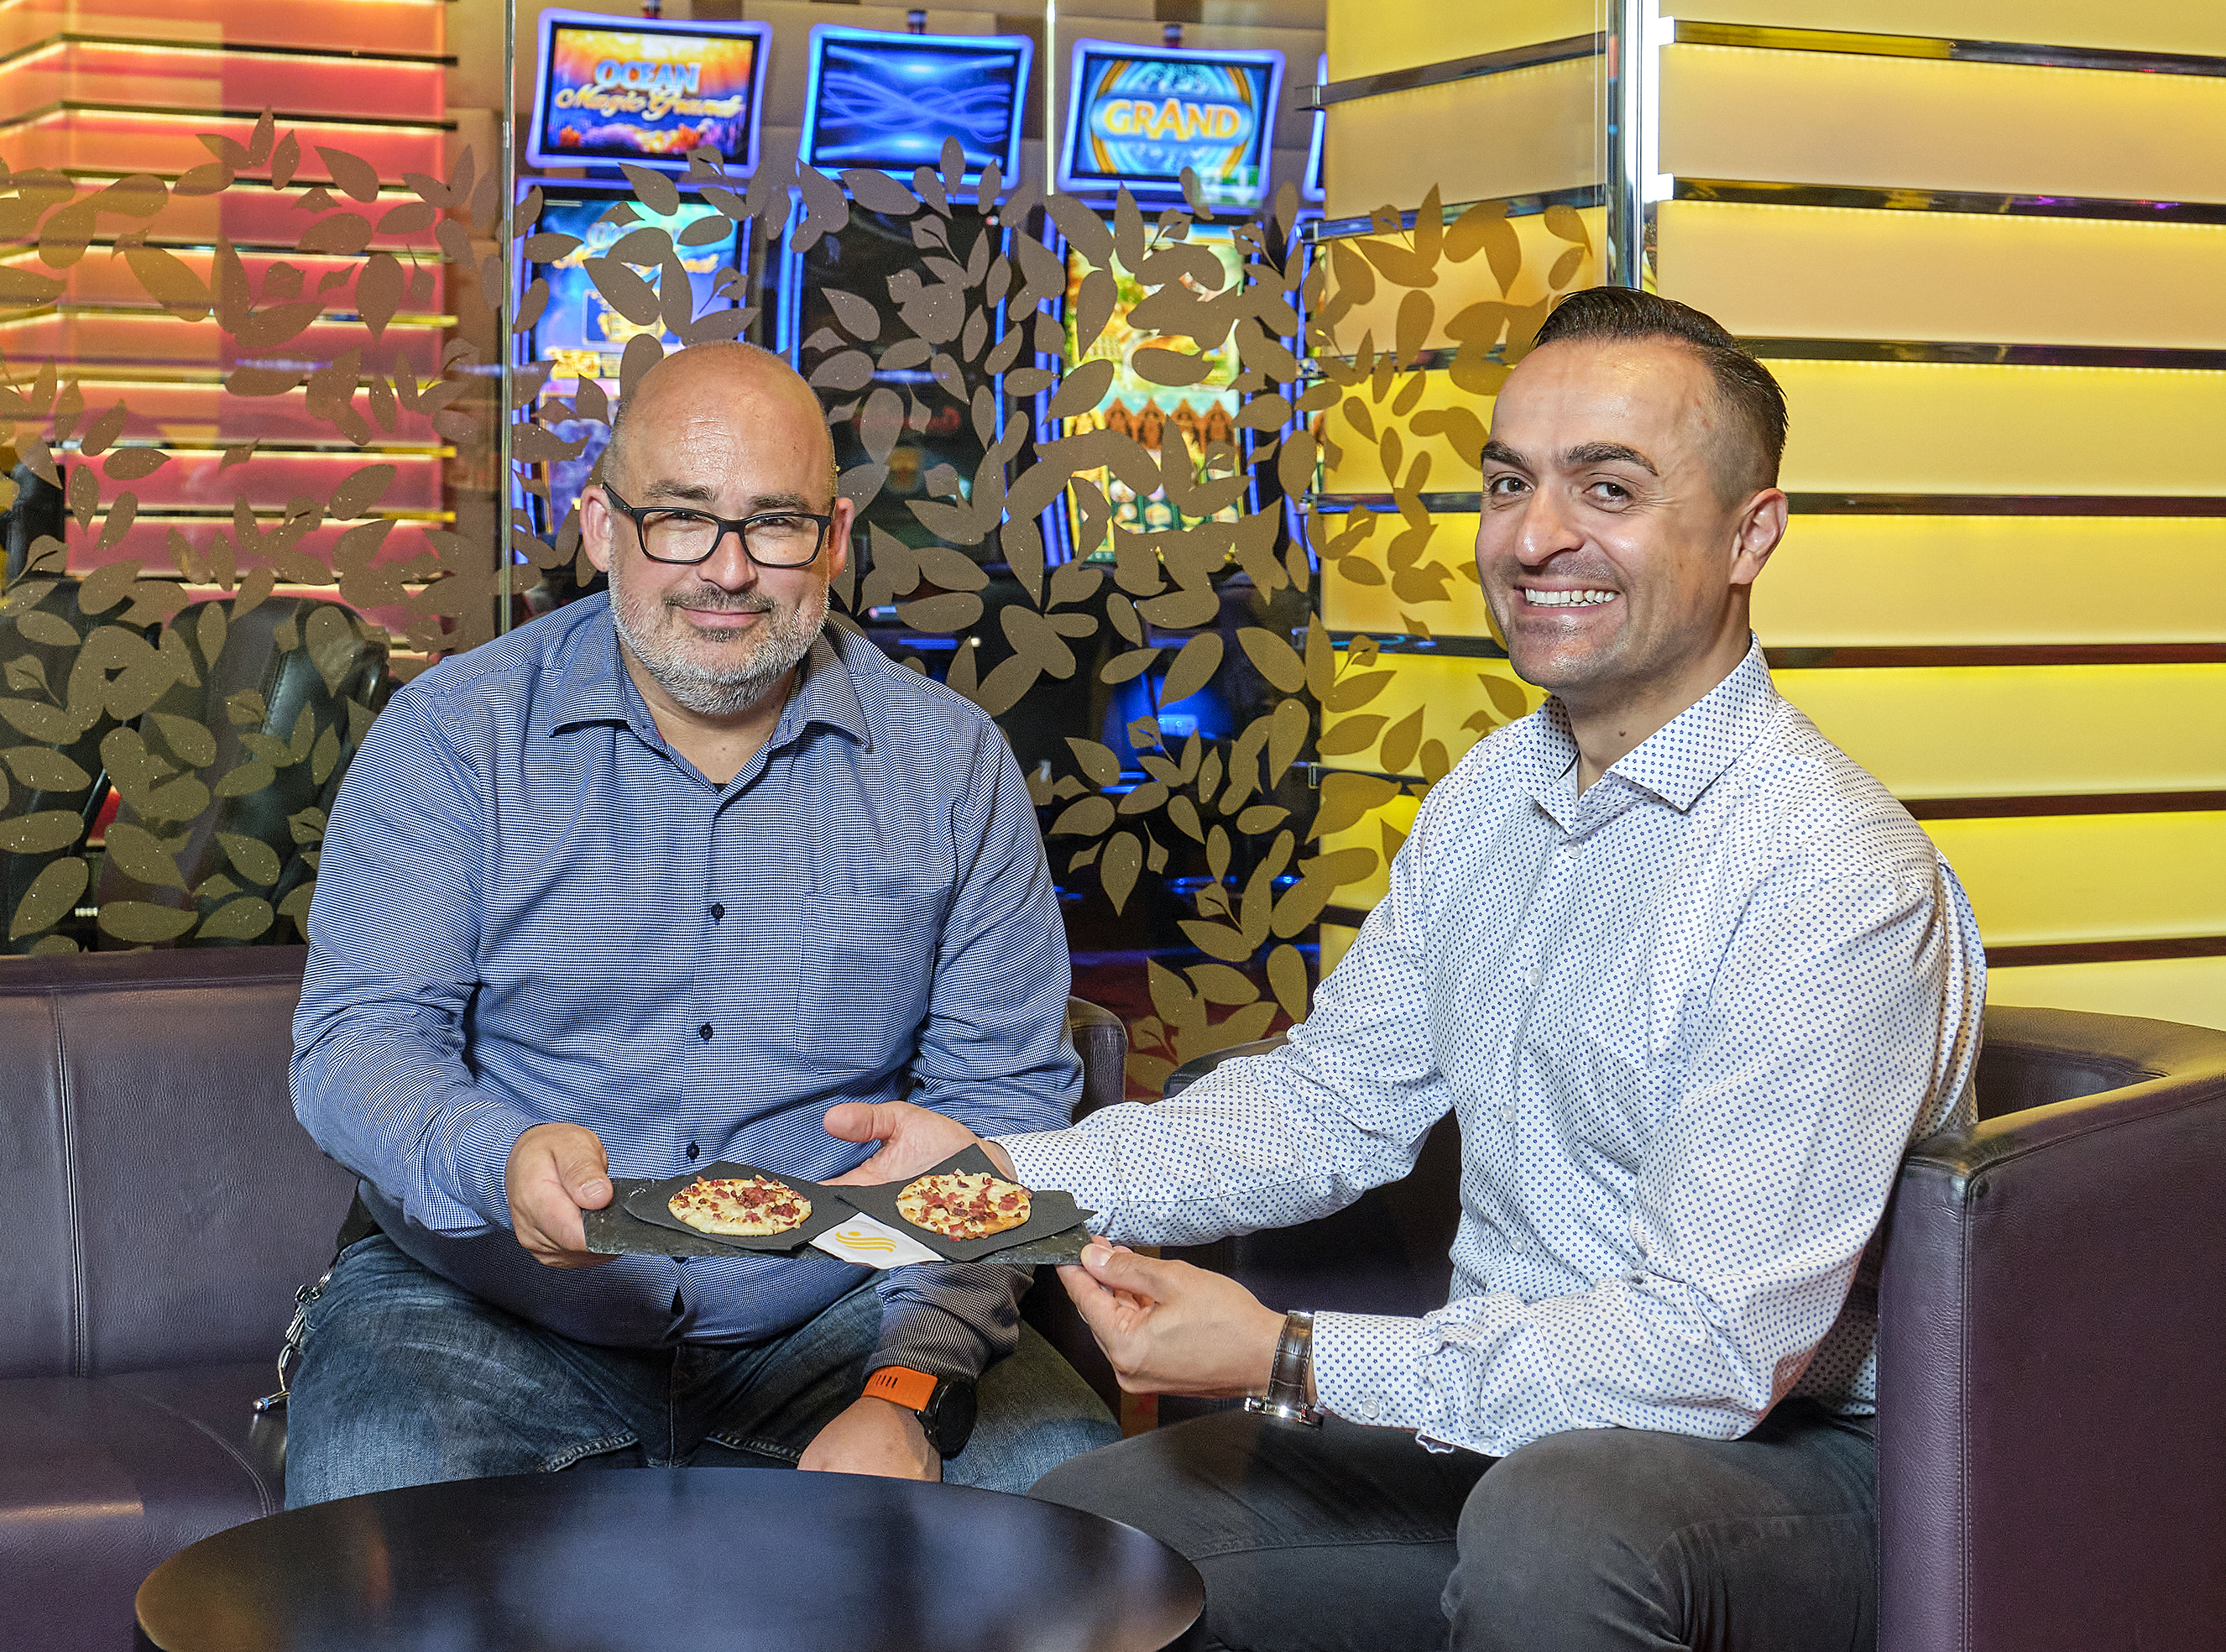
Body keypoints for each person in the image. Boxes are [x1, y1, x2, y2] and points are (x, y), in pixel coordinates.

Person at [826, 289, 1988, 1650]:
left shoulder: (1827, 875)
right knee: (1084, 1532)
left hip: (1775, 1459)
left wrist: (1286, 1356)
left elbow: (1707, 1355)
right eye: (1510, 483)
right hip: (1507, 1424)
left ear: (1750, 534)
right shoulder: (1490, 794)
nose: (1537, 535)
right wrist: (994, 1180)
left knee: (1558, 1527)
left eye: (1607, 488)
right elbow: (1327, 1105)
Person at [284, 342, 1117, 1504]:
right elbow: (356, 1047)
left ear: (831, 539)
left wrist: (905, 1387)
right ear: (600, 527)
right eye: (679, 518)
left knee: (1075, 1497)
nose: (726, 571)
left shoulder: (947, 766)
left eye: (772, 525)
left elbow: (997, 1106)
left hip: (839, 1312)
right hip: (481, 1312)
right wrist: (498, 1158)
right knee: (372, 1506)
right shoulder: (451, 735)